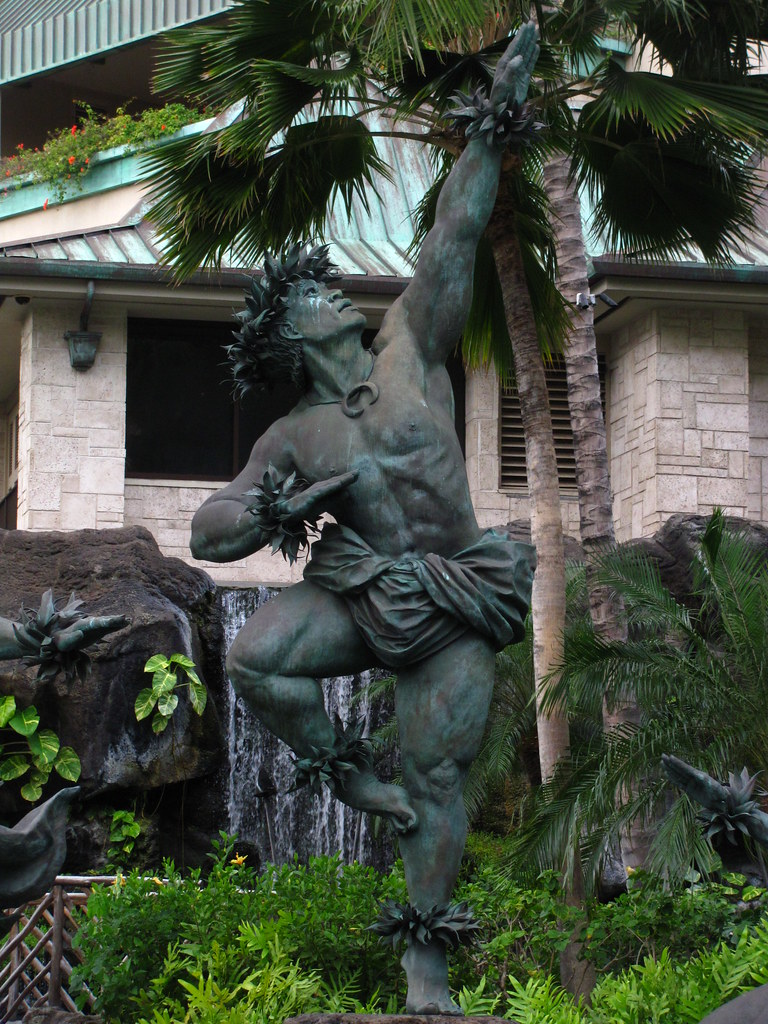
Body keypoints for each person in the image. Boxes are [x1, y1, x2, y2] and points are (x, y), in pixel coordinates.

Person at [190, 23, 539, 1015]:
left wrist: (488, 134)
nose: (328, 289)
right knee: (255, 653)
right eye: (309, 292)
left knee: (435, 775)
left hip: (457, 599)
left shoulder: (410, 348)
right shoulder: (296, 436)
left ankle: (424, 967)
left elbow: (455, 237)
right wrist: (271, 509)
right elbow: (210, 531)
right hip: (365, 597)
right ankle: (345, 776)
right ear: (296, 337)